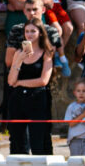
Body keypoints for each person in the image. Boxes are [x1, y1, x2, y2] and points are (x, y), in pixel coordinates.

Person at [7, 17, 55, 155]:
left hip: (38, 98)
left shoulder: (47, 52)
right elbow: (11, 81)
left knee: (39, 139)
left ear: (40, 33)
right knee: (18, 140)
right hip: (18, 100)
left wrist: (21, 83)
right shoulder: (18, 53)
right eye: (27, 31)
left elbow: (43, 80)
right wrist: (19, 60)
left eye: (33, 31)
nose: (29, 34)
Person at [40, 0, 74, 75]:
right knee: (58, 30)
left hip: (56, 5)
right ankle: (62, 58)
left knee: (69, 28)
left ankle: (58, 55)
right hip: (47, 6)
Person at [5, 0, 64, 67]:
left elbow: (49, 59)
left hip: (42, 69)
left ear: (43, 10)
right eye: (28, 10)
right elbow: (9, 61)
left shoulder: (51, 32)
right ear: (24, 11)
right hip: (18, 70)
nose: (32, 13)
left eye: (35, 9)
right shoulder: (16, 30)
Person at [66, 79, 85, 156]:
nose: (81, 93)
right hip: (75, 141)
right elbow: (71, 124)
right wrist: (84, 115)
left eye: (84, 91)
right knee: (75, 162)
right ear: (74, 93)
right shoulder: (71, 107)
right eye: (78, 91)